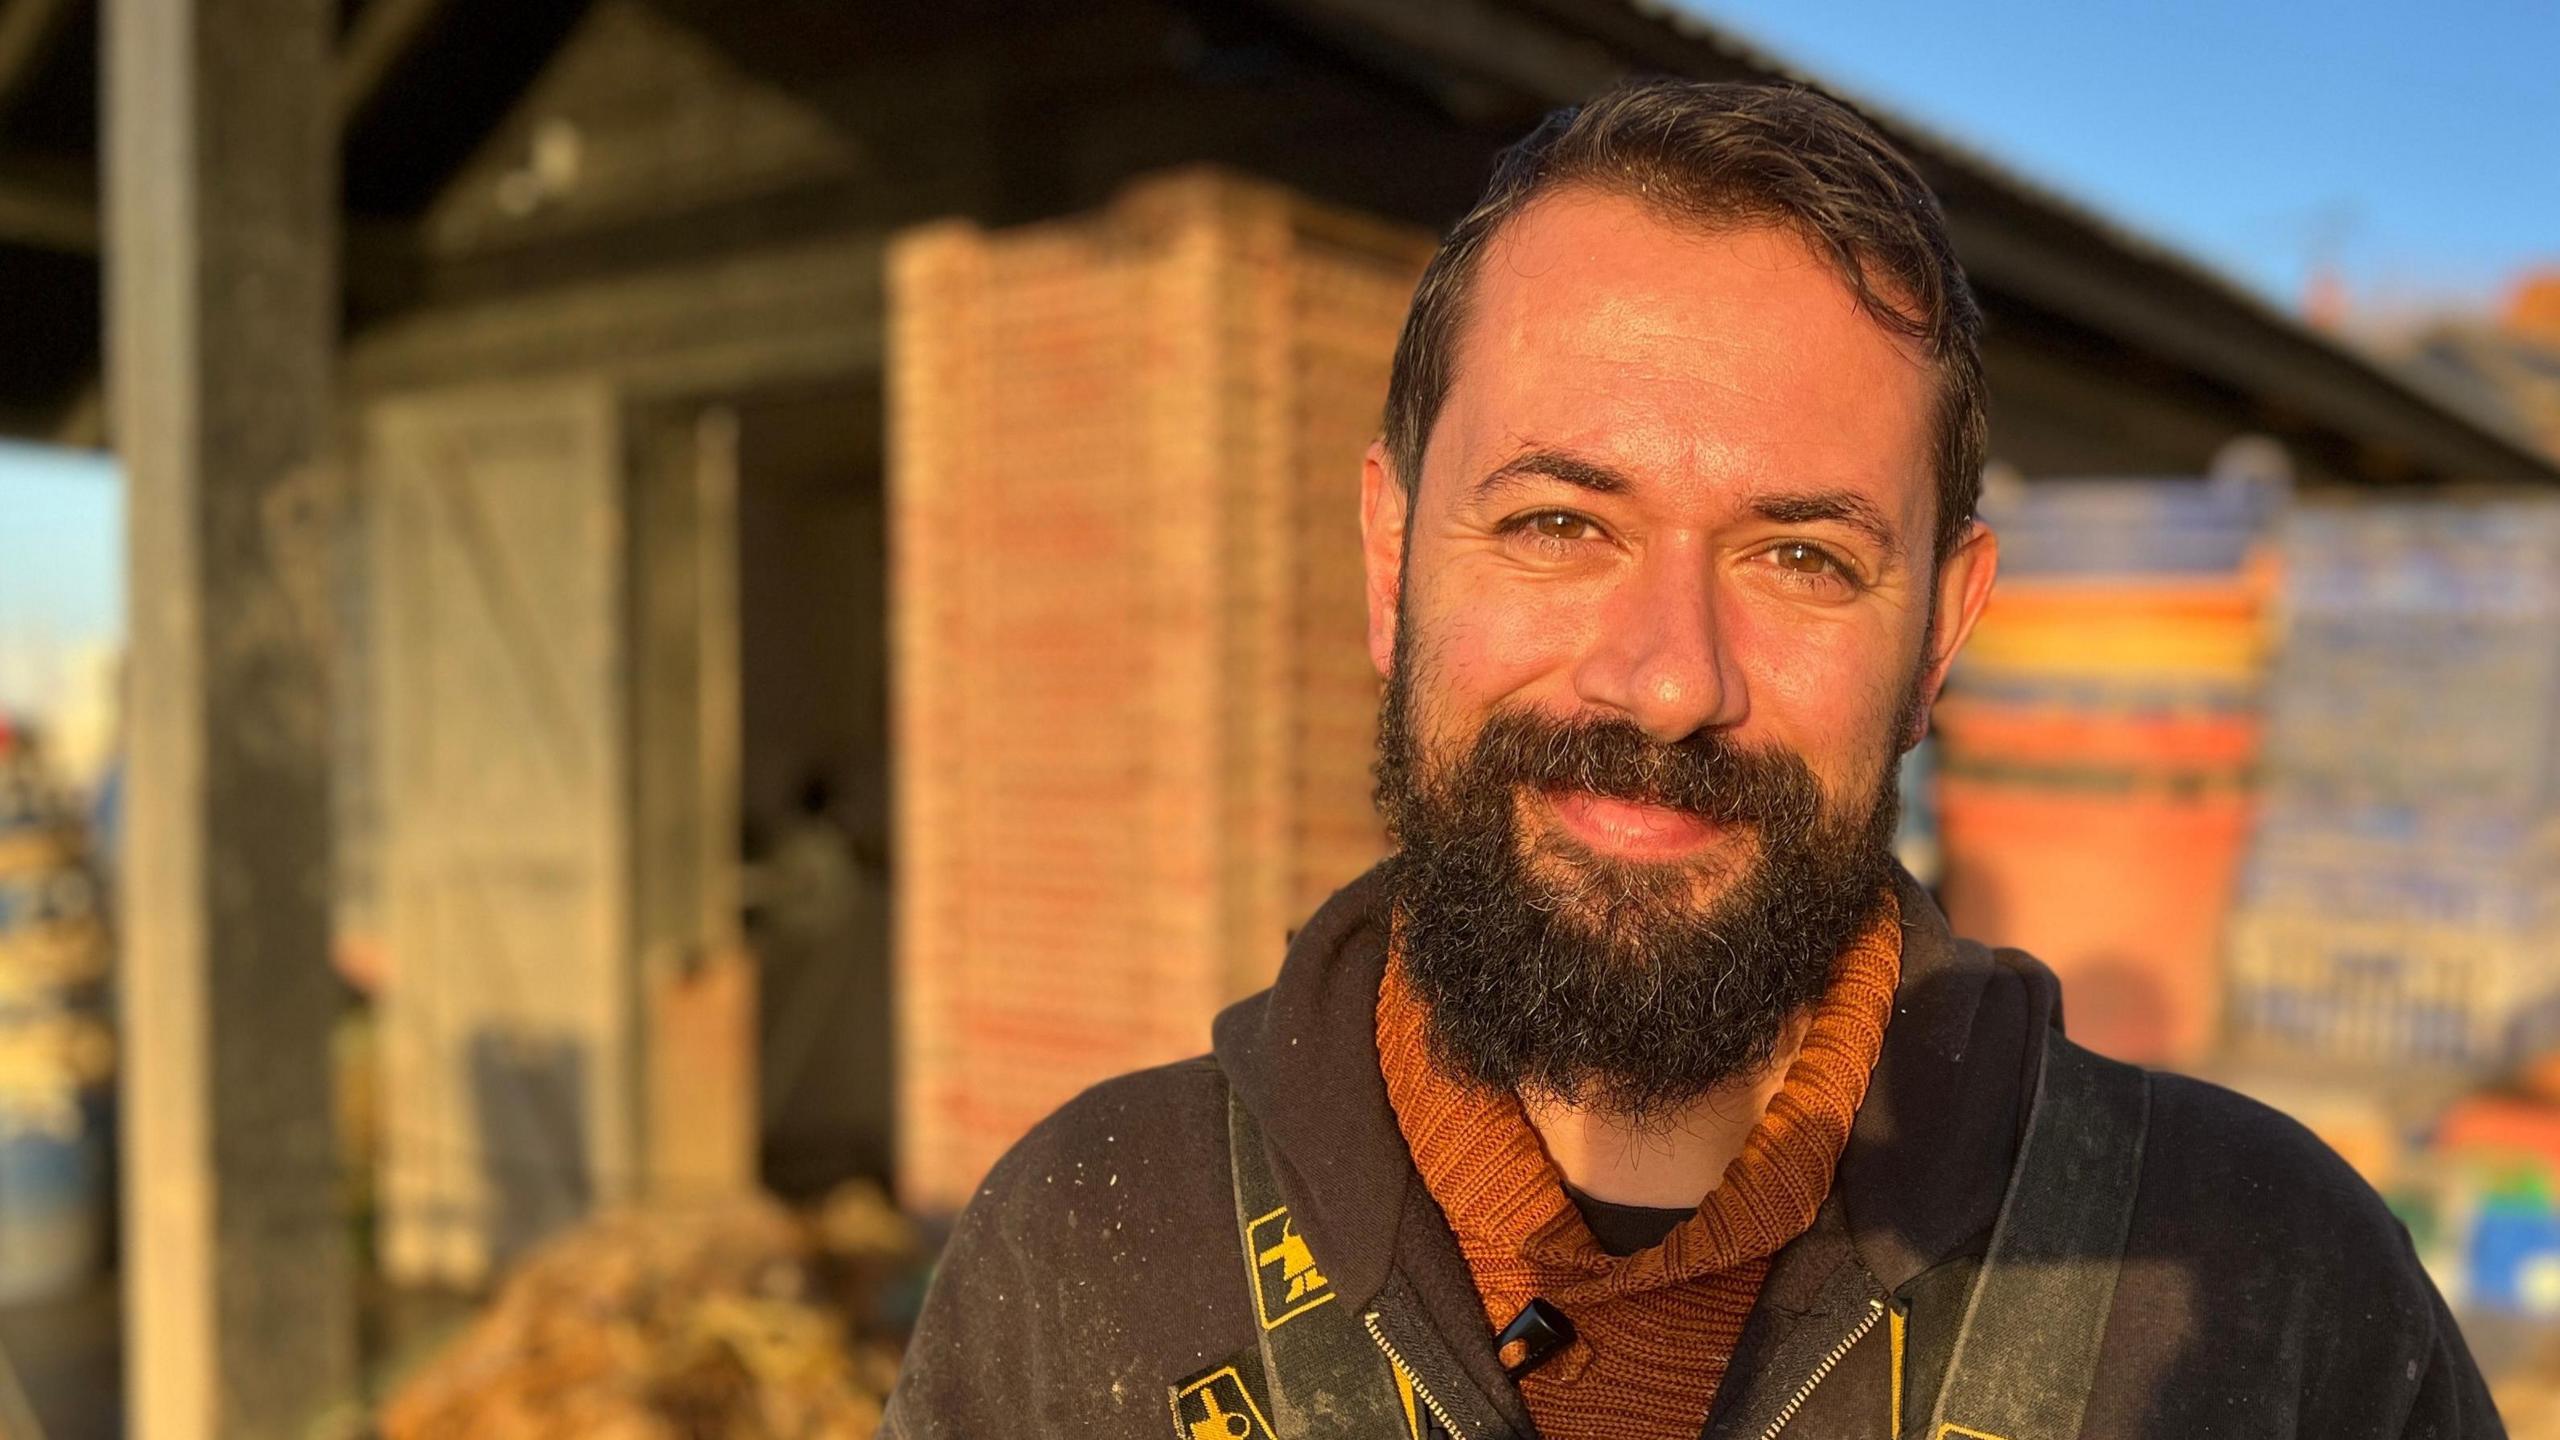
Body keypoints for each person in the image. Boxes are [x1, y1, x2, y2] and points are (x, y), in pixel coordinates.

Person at [882, 80, 2497, 1439]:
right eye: (1559, 524)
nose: (1665, 683)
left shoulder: (2257, 1294)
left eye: (1800, 557)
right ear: (1390, 561)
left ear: (1940, 631)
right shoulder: (1086, 1260)